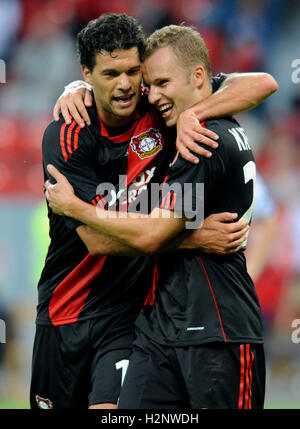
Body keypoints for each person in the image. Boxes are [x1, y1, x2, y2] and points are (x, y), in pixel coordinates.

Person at [45, 24, 277, 409]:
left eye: (163, 82)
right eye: (149, 84)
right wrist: (77, 89)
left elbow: (152, 235)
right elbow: (263, 84)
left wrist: (76, 208)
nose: (152, 96)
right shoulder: (195, 124)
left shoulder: (200, 142)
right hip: (162, 327)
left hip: (217, 328)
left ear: (199, 77)